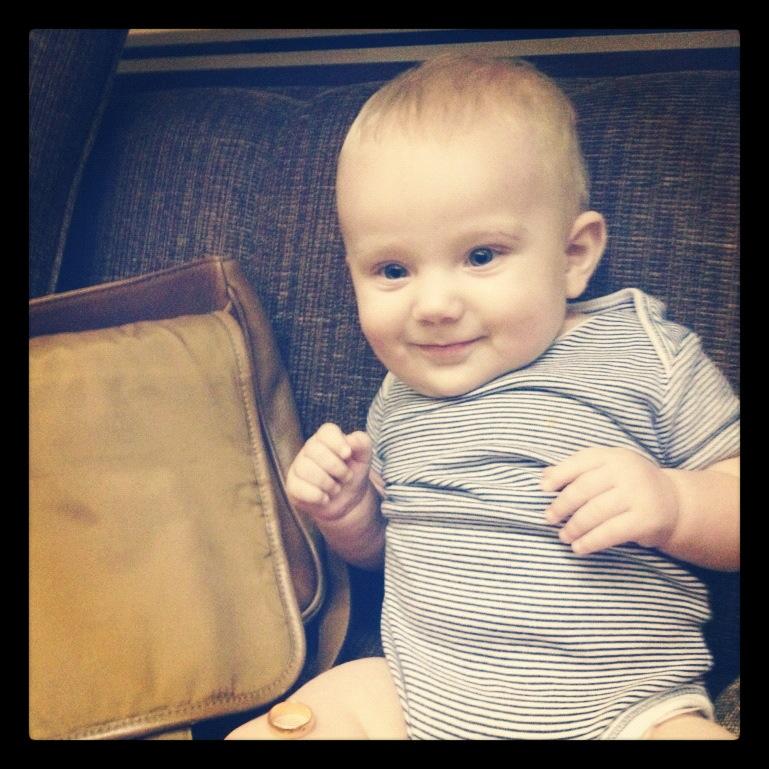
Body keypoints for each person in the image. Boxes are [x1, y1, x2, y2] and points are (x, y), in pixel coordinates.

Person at [226, 53, 739, 740]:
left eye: (480, 256)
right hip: (418, 701)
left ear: (573, 255)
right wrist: (348, 513)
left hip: (625, 713)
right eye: (392, 269)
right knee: (311, 715)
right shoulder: (398, 397)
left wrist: (674, 503)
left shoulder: (641, 352)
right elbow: (386, 552)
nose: (434, 304)